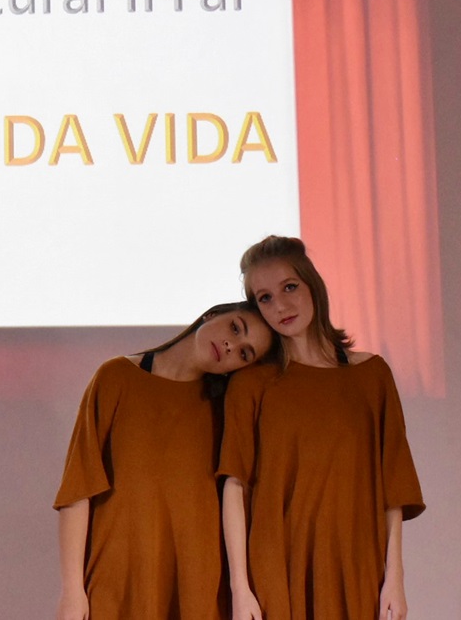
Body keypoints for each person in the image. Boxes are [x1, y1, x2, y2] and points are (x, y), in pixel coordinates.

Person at [219, 235, 424, 620]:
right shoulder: (251, 384)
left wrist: (395, 578)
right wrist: (240, 588)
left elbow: (393, 488)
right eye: (264, 298)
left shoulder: (371, 375)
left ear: (312, 284)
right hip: (275, 568)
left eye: (289, 287)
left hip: (355, 563)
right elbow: (235, 484)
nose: (280, 306)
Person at [55, 301, 276, 620]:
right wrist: (72, 590)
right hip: (117, 581)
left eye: (244, 354)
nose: (231, 345)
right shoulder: (116, 376)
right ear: (212, 314)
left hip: (196, 585)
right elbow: (78, 489)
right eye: (235, 328)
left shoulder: (226, 412)